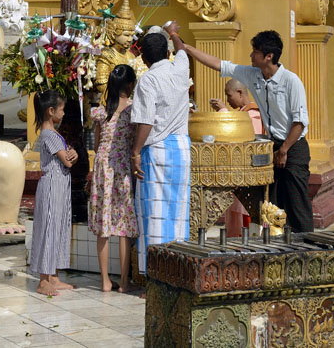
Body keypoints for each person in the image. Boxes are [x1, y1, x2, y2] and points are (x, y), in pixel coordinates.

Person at [175, 25, 314, 234]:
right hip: (273, 145)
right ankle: (279, 247)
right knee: (272, 205)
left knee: (297, 201)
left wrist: (284, 150)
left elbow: (299, 122)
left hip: (293, 146)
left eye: (255, 52)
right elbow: (220, 65)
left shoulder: (290, 81)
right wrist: (188, 49)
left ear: (269, 56)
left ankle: (307, 245)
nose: (251, 55)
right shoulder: (253, 74)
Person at [130, 29, 192, 275]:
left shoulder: (148, 80)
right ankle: (177, 271)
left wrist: (135, 152)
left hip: (156, 150)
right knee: (178, 212)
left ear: (144, 59)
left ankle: (155, 275)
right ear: (168, 53)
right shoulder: (181, 68)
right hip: (181, 150)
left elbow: (145, 121)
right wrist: (174, 32)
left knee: (154, 215)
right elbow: (183, 49)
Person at [88, 65, 138, 292]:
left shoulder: (101, 111)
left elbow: (97, 144)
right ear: (130, 84)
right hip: (122, 167)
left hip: (102, 167)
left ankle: (105, 281)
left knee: (104, 224)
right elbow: (134, 140)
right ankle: (124, 282)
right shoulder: (133, 110)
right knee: (123, 225)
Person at [29, 90, 78, 296]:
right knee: (49, 229)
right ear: (51, 111)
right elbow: (67, 161)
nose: (63, 113)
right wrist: (73, 155)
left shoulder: (52, 134)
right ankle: (43, 280)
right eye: (61, 109)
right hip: (52, 187)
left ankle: (54, 277)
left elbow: (67, 157)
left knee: (57, 228)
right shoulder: (49, 134)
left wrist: (72, 153)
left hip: (59, 186)